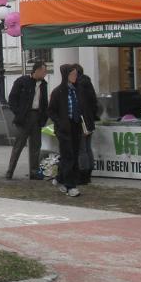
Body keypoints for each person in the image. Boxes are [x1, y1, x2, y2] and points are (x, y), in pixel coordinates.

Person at [6, 60, 49, 180]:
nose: (45, 74)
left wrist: (44, 117)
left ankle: (34, 171)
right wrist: (18, 113)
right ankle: (10, 171)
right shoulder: (22, 81)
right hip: (24, 117)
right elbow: (12, 98)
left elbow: (44, 102)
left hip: (37, 116)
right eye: (44, 71)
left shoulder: (43, 84)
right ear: (37, 71)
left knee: (36, 145)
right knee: (18, 145)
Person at [48, 64, 83, 198]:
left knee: (73, 154)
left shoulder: (76, 90)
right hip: (64, 128)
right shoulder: (58, 92)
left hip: (76, 126)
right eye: (72, 74)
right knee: (68, 156)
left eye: (76, 74)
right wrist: (60, 122)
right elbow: (51, 111)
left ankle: (61, 178)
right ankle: (70, 185)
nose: (75, 77)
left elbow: (82, 107)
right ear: (66, 76)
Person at [74, 64, 99, 186]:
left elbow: (80, 105)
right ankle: (88, 173)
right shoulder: (87, 83)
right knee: (87, 147)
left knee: (82, 149)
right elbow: (94, 102)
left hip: (82, 120)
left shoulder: (78, 86)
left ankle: (83, 173)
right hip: (89, 120)